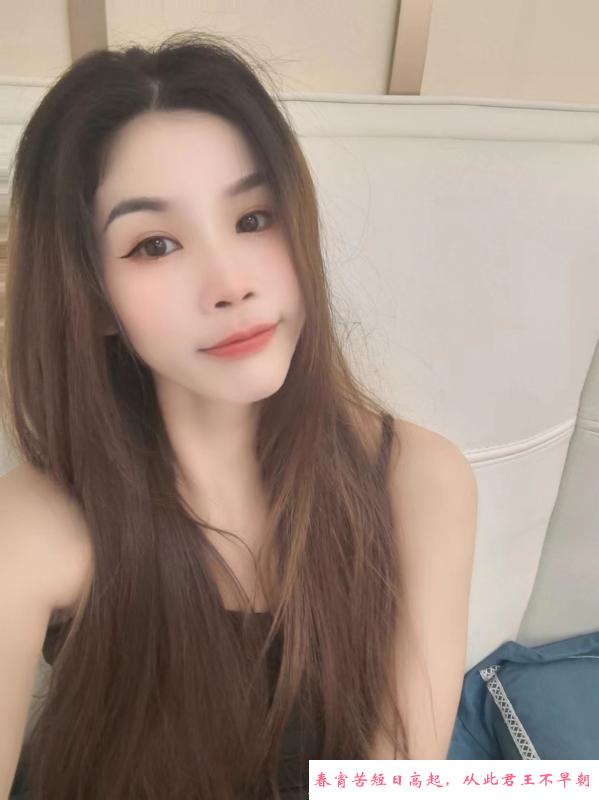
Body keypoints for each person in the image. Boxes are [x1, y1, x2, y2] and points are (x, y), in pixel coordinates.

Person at [0, 31, 478, 800]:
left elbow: (402, 778)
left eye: (253, 219)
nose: (231, 283)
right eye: (155, 244)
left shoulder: (418, 480)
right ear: (90, 298)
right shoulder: (39, 523)